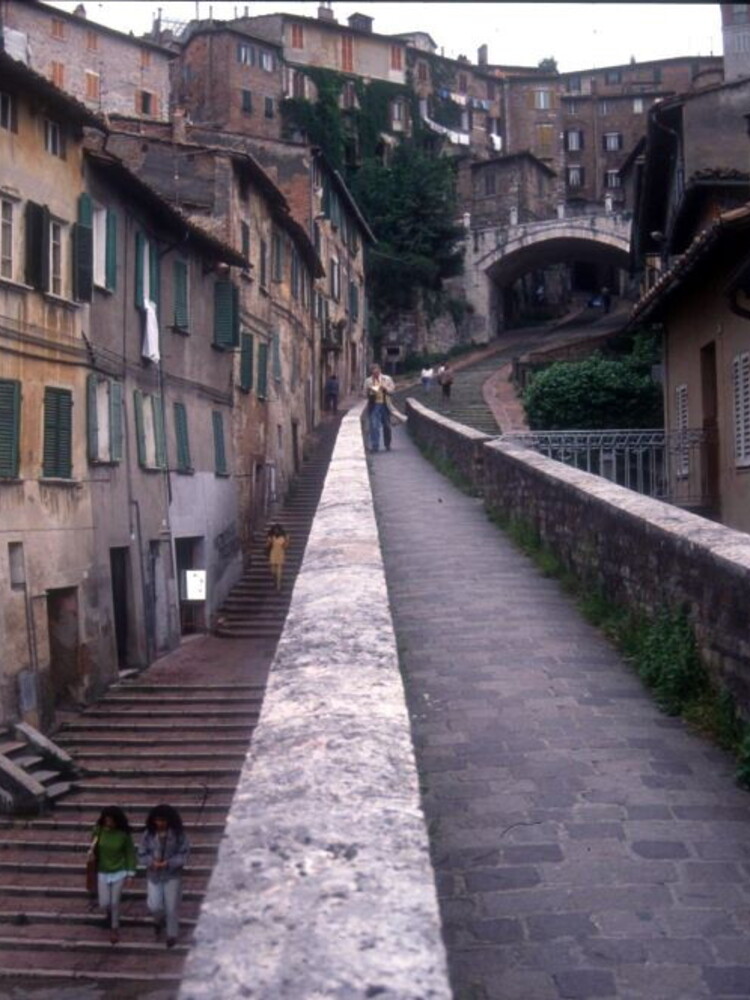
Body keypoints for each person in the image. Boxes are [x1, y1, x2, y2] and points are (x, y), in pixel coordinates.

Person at [138, 804, 190, 949]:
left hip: (172, 875)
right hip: (154, 875)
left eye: (163, 820)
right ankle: (158, 920)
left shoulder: (179, 834)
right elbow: (141, 853)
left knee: (172, 906)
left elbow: (184, 854)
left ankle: (172, 934)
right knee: (155, 905)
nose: (160, 823)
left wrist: (169, 863)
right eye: (158, 820)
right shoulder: (148, 835)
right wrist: (151, 862)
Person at [88, 806, 137, 945]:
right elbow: (93, 846)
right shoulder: (98, 831)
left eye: (111, 820)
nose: (109, 823)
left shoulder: (123, 835)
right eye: (107, 820)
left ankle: (114, 928)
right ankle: (109, 914)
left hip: (119, 871)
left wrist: (130, 874)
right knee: (104, 902)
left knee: (115, 902)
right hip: (102, 871)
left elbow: (130, 854)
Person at [363, 363, 395, 453]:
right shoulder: (368, 381)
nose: (375, 374)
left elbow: (392, 391)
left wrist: (385, 388)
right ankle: (375, 446)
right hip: (374, 405)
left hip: (385, 404)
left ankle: (387, 444)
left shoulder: (387, 379)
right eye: (373, 372)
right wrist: (370, 391)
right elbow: (364, 393)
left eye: (377, 372)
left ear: (380, 370)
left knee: (387, 425)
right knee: (374, 426)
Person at [265, 522, 289, 591]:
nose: (276, 531)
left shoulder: (284, 536)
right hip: (273, 552)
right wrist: (268, 542)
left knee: (279, 570)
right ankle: (275, 580)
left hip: (280, 552)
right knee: (273, 571)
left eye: (277, 529)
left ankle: (279, 585)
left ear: (280, 530)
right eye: (275, 529)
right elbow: (267, 545)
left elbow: (285, 546)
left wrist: (287, 541)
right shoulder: (271, 536)